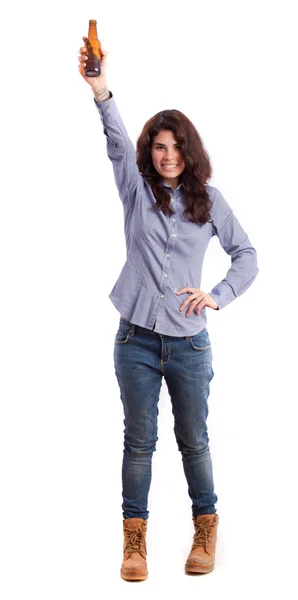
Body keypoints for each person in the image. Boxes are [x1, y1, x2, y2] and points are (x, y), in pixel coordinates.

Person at [78, 37, 259, 581]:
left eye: (175, 146)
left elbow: (247, 257)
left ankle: (206, 527)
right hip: (134, 339)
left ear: (189, 150)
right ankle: (134, 544)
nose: (168, 155)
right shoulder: (136, 191)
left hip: (190, 344)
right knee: (139, 442)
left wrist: (217, 296)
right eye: (159, 146)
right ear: (150, 152)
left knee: (194, 439)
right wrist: (101, 90)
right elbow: (114, 142)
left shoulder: (210, 201)